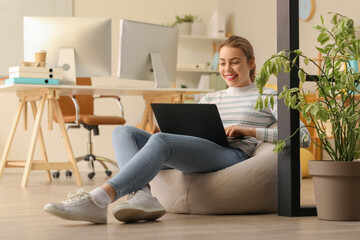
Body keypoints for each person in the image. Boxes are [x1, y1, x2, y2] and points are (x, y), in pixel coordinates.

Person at [44, 35, 310, 224]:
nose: (227, 69)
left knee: (162, 142)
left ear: (251, 63)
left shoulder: (270, 95)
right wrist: (173, 127)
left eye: (235, 62)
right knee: (123, 132)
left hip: (232, 156)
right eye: (223, 63)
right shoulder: (210, 98)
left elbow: (304, 138)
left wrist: (249, 132)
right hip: (201, 149)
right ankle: (144, 196)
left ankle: (99, 199)